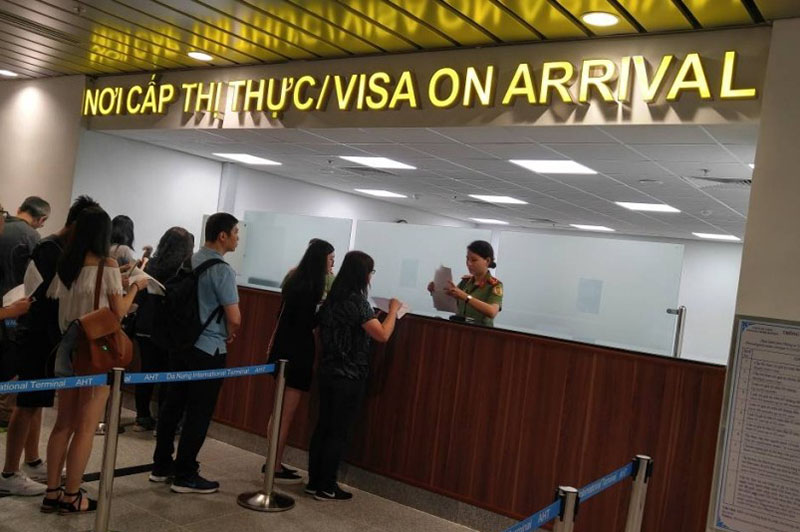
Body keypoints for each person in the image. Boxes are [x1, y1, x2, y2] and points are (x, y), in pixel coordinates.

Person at [42, 206, 147, 514]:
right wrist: (136, 286)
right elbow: (119, 310)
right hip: (96, 353)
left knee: (63, 424)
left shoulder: (67, 264)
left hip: (69, 349)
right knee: (86, 426)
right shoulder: (108, 264)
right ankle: (73, 495)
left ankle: (52, 492)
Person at [0, 196, 99, 497]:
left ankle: (31, 460)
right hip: (35, 338)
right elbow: (44, 299)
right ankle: (9, 472)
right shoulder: (49, 250)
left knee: (35, 403)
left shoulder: (57, 249)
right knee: (25, 405)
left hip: (44, 338)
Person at [151, 213, 241, 494]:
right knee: (198, 413)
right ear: (222, 235)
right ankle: (185, 473)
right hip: (208, 349)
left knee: (172, 405)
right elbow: (234, 316)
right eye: (236, 232)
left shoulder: (189, 260)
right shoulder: (222, 270)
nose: (238, 237)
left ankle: (161, 465)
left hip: (181, 345)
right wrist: (231, 330)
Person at [307, 251, 402, 501]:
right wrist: (393, 311)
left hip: (327, 372)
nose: (371, 277)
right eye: (371, 272)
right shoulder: (357, 302)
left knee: (323, 427)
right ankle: (327, 486)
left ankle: (314, 481)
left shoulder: (333, 299)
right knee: (338, 431)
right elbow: (382, 335)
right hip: (348, 376)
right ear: (363, 275)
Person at [266, 239, 335, 484]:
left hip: (282, 348)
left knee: (278, 410)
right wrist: (325, 310)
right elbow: (308, 323)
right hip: (297, 353)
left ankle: (272, 460)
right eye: (330, 259)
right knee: (286, 413)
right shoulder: (310, 288)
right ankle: (273, 465)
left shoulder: (294, 279)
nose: (332, 263)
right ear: (320, 260)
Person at [132, 227, 194, 432]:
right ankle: (165, 421)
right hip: (167, 329)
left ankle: (142, 417)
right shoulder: (181, 271)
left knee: (147, 372)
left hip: (143, 325)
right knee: (168, 375)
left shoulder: (150, 265)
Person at [0, 197, 50, 431]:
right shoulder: (32, 238)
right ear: (42, 219)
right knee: (10, 363)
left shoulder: (7, 228)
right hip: (13, 310)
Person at [427, 240, 503, 327]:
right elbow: (451, 302)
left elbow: (492, 312)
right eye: (467, 259)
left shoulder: (494, 285)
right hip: (460, 329)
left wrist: (465, 296)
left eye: (474, 260)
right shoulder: (466, 281)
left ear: (487, 261)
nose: (469, 263)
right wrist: (436, 290)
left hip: (481, 332)